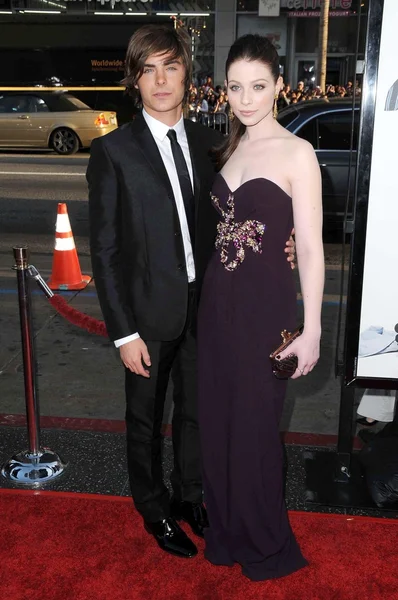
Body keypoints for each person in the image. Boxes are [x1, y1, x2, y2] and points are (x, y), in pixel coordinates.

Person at [87, 25, 296, 560]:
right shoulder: (114, 153)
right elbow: (105, 253)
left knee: (197, 412)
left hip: (208, 308)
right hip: (146, 317)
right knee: (144, 418)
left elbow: (243, 212)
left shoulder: (212, 141)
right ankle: (154, 510)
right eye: (148, 69)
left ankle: (191, 493)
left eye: (170, 67)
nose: (160, 80)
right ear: (135, 80)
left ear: (187, 73)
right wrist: (123, 332)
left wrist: (286, 244)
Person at [198, 34, 324, 581]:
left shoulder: (298, 153)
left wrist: (313, 329)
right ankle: (226, 532)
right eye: (235, 87)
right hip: (216, 310)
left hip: (264, 314)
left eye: (257, 86)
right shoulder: (228, 150)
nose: (246, 99)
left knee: (254, 430)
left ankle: (266, 543)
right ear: (224, 90)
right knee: (220, 426)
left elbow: (314, 248)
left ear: (278, 85)